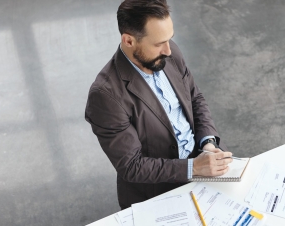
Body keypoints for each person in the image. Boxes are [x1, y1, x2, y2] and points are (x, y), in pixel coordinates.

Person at [85, 0, 232, 209]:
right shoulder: (105, 96)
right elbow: (132, 166)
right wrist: (193, 168)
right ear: (128, 41)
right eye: (158, 44)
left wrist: (207, 143)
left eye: (169, 39)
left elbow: (195, 98)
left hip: (205, 163)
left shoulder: (168, 53)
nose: (169, 51)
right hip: (159, 190)